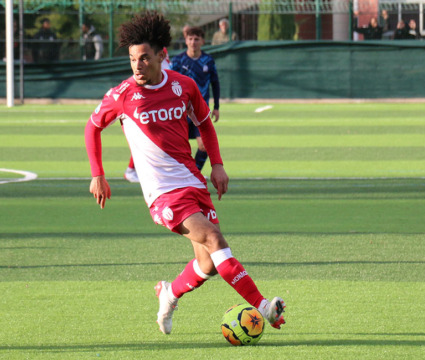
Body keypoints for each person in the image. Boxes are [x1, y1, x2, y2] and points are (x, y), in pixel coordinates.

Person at [85, 11, 286, 335]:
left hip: (193, 182)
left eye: (144, 58)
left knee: (207, 263)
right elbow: (91, 128)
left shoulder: (183, 86)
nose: (137, 66)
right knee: (214, 238)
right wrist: (98, 173)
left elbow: (205, 123)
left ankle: (169, 293)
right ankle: (263, 305)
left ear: (162, 56)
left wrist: (217, 165)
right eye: (132, 59)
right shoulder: (122, 95)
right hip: (162, 193)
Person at [169, 27, 220, 173]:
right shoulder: (178, 61)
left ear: (202, 41)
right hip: (180, 112)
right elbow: (168, 83)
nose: (193, 42)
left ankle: (194, 173)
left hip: (199, 111)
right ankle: (178, 175)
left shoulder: (208, 60)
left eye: (196, 39)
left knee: (204, 145)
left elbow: (215, 83)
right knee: (177, 147)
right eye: (190, 39)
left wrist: (216, 107)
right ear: (186, 41)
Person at [124, 46, 170, 183]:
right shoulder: (154, 53)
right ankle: (131, 170)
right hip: (149, 103)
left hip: (161, 103)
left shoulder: (163, 55)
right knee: (146, 139)